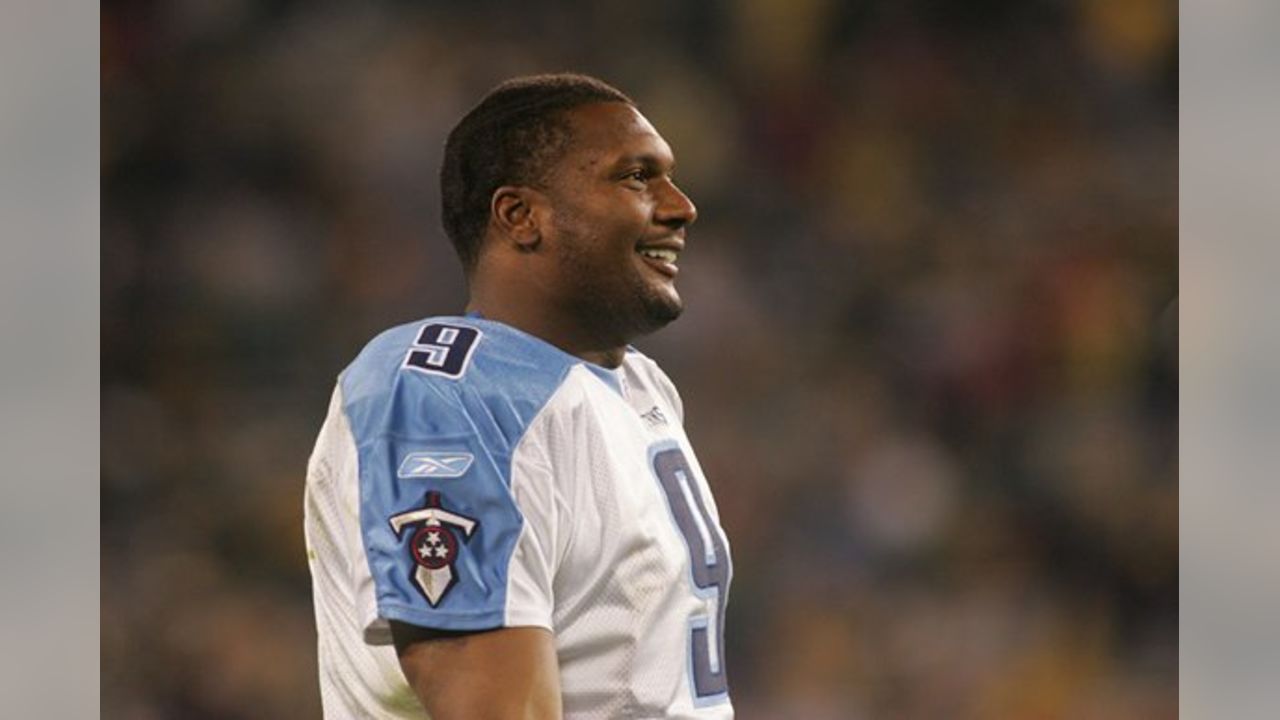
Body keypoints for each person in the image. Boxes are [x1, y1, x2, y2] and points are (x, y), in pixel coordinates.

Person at [303, 73, 735, 719]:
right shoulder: (444, 390)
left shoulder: (638, 387)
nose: (680, 206)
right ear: (520, 216)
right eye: (636, 177)